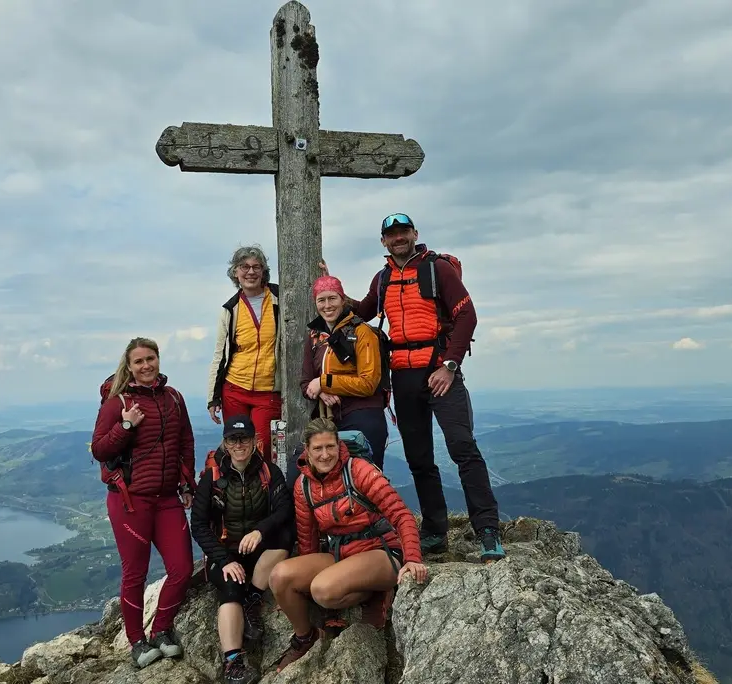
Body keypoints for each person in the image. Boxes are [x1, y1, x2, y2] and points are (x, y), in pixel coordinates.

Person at [320, 212, 506, 562]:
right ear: (383, 241)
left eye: (403, 231)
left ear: (414, 233)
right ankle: (435, 531)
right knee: (419, 457)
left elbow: (467, 315)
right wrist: (332, 289)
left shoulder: (438, 269)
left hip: (439, 371)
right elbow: (363, 311)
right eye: (391, 234)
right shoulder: (383, 278)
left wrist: (450, 366)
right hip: (403, 375)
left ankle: (487, 530)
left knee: (462, 448)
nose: (398, 238)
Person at [268, 418, 427, 672]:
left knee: (323, 590)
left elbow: (401, 515)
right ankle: (305, 638)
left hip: (381, 551)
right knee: (280, 577)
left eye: (330, 446)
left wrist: (413, 558)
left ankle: (377, 593)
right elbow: (308, 538)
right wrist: (297, 589)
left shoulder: (358, 471)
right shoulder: (303, 486)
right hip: (342, 553)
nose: (325, 455)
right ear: (307, 450)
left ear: (339, 445)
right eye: (318, 448)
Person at [91, 337, 196, 670]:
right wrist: (126, 425)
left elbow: (185, 442)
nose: (146, 365)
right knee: (135, 574)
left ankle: (161, 629)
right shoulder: (117, 402)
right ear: (129, 366)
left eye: (151, 358)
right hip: (130, 501)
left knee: (182, 568)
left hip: (167, 499)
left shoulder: (173, 398)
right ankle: (137, 642)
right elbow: (99, 449)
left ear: (158, 360)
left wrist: (187, 483)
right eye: (139, 361)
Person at [190, 414, 294, 684]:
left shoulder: (269, 472)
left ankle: (253, 600)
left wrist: (260, 531)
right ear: (225, 443)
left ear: (254, 440)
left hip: (259, 548)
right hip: (225, 552)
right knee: (231, 588)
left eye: (244, 439)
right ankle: (233, 663)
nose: (239, 445)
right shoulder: (211, 478)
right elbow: (198, 525)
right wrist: (224, 559)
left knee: (286, 536)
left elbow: (284, 509)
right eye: (233, 440)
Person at [300, 274, 390, 468]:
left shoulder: (362, 332)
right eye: (321, 300)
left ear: (343, 300)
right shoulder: (315, 337)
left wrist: (324, 382)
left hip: (364, 414)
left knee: (367, 478)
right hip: (329, 420)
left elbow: (368, 384)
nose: (327, 305)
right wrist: (322, 391)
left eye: (332, 298)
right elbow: (306, 383)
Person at [207, 245, 283, 463]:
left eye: (256, 267)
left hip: (268, 390)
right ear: (235, 272)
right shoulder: (230, 309)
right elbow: (220, 355)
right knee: (236, 446)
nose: (251, 272)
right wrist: (213, 397)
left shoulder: (280, 298)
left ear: (263, 271)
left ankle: (264, 485)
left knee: (262, 449)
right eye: (244, 267)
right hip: (234, 388)